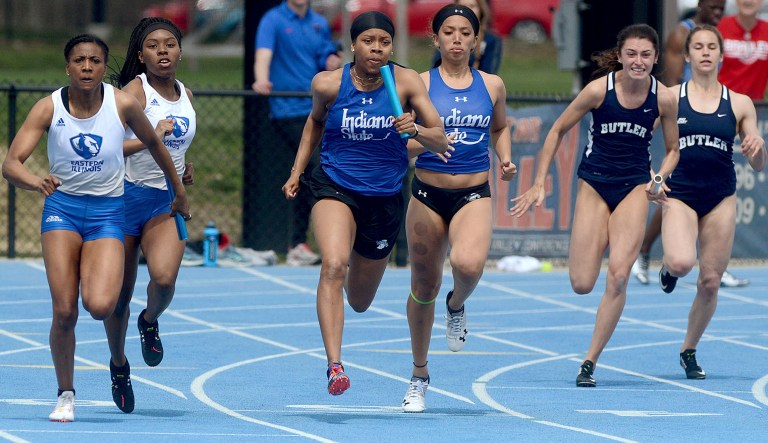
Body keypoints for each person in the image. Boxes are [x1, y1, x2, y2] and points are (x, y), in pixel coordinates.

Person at [1, 34, 189, 422]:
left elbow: (156, 145)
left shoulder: (121, 103)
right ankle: (66, 392)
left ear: (105, 67)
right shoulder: (48, 108)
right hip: (63, 212)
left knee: (101, 304)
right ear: (67, 66)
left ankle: (120, 351)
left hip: (107, 213)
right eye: (79, 61)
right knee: (65, 310)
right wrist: (36, 181)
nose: (87, 68)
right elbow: (11, 163)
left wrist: (179, 190)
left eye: (95, 61)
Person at [281, 11, 449, 396]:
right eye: (368, 41)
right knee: (334, 263)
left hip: (384, 196)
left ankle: (355, 260)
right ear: (353, 45)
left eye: (384, 42)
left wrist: (417, 129)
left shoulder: (404, 82)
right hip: (334, 185)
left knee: (358, 300)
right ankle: (334, 365)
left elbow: (441, 140)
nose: (376, 49)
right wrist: (296, 170)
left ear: (392, 46)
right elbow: (314, 123)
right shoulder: (327, 83)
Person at [510, 24, 680, 387]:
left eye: (646, 55)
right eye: (631, 54)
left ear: (655, 59)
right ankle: (601, 235)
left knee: (618, 276)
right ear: (620, 55)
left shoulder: (663, 98)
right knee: (582, 283)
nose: (638, 61)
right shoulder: (597, 91)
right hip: (595, 184)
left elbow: (673, 151)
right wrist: (539, 182)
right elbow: (556, 130)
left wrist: (658, 179)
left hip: (634, 186)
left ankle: (589, 361)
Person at [401, 4, 516, 413]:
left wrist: (504, 157)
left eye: (464, 32)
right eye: (448, 31)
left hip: (473, 192)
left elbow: (499, 127)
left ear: (476, 38)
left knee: (468, 265)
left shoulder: (493, 85)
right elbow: (405, 142)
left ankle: (457, 304)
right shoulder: (419, 83)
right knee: (423, 285)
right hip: (428, 193)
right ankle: (419, 375)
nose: (456, 39)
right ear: (435, 38)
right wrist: (424, 138)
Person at [657, 25, 766, 379]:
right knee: (681, 261)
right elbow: (638, 132)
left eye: (711, 47)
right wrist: (653, 175)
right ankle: (668, 270)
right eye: (698, 47)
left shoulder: (740, 103)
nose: (705, 52)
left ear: (721, 55)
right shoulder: (671, 97)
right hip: (681, 194)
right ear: (687, 55)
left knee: (710, 282)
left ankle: (689, 349)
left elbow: (757, 161)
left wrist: (757, 149)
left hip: (720, 196)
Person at [102, 17, 196, 414]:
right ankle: (119, 365)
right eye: (154, 46)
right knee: (117, 296)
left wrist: (184, 168)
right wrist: (148, 136)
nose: (163, 51)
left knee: (164, 278)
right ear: (141, 55)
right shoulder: (132, 93)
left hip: (163, 201)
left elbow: (179, 142)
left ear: (179, 51)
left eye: (170, 44)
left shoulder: (186, 93)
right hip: (123, 197)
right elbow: (106, 148)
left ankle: (150, 319)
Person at [632, 0, 748, 288]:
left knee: (709, 195)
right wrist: (678, 107)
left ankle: (714, 265)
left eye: (723, 7)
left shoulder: (718, 41)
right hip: (684, 120)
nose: (719, 11)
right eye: (714, 7)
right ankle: (653, 256)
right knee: (674, 198)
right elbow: (669, 83)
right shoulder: (681, 34)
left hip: (713, 124)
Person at [253, 0, 341, 266]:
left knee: (310, 172)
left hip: (317, 109)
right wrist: (261, 78)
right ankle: (307, 243)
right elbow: (263, 54)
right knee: (315, 169)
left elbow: (327, 59)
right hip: (288, 109)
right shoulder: (273, 19)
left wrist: (334, 61)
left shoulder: (318, 22)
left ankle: (301, 244)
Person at [431, 0, 503, 74]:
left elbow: (490, 71)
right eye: (448, 33)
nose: (457, 39)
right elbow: (436, 65)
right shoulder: (427, 79)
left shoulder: (491, 39)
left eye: (465, 33)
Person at [718, 0, 768, 101]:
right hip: (722, 103)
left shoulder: (766, 29)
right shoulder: (720, 26)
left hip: (756, 106)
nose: (748, 1)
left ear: (761, 2)